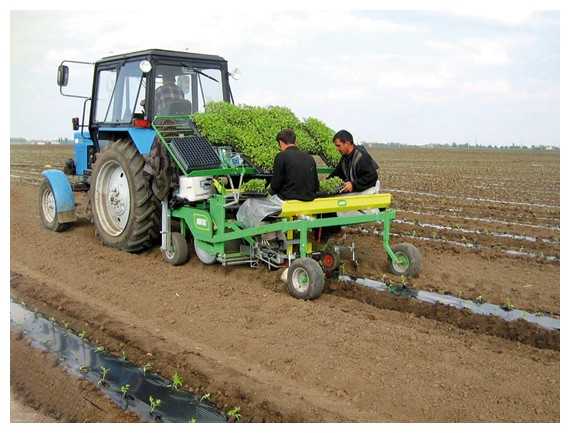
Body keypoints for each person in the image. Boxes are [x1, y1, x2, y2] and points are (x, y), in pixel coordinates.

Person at [236, 129, 318, 228]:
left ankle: (253, 233)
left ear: (281, 142)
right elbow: (316, 184)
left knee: (251, 203)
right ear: (295, 141)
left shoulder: (281, 156)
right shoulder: (309, 158)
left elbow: (275, 185)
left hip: (287, 200)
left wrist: (264, 193)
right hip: (308, 198)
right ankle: (272, 233)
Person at [329, 129, 380, 194]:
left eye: (338, 146)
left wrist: (353, 185)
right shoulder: (344, 158)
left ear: (347, 143)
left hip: (369, 189)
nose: (337, 149)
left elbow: (372, 176)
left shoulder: (361, 157)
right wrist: (326, 183)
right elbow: (337, 173)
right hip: (357, 189)